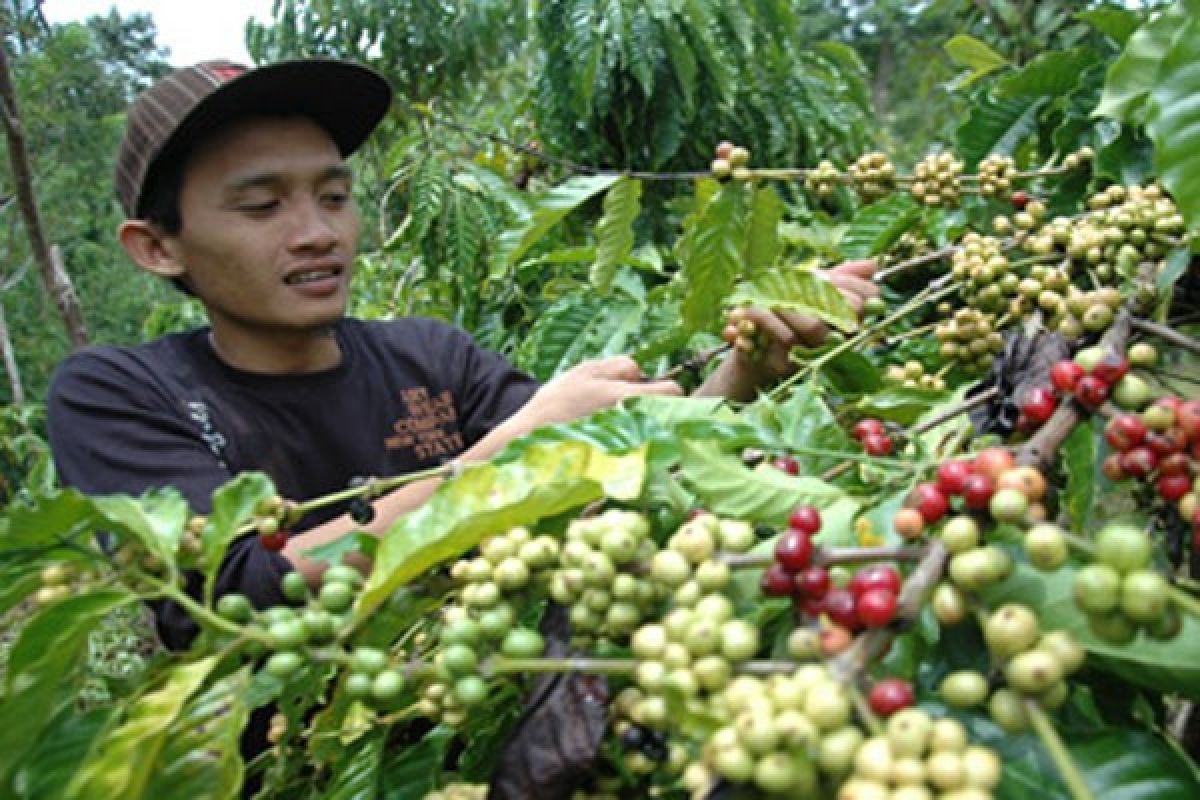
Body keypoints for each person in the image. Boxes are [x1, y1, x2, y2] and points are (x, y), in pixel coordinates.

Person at [46, 58, 879, 652]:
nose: (318, 232)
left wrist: (748, 365)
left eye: (335, 196)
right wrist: (505, 456)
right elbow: (232, 599)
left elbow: (628, 461)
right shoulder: (121, 393)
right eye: (262, 205)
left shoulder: (428, 357)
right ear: (157, 247)